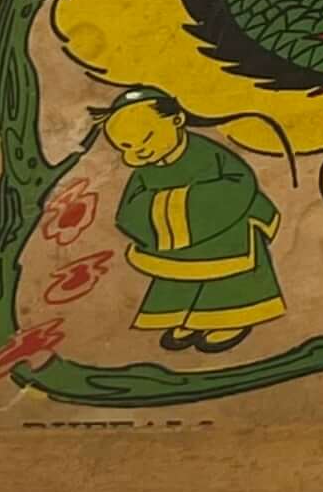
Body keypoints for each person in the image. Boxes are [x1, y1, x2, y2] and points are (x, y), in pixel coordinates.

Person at [107, 92, 288, 353]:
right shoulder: (146, 170)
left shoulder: (208, 153)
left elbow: (240, 182)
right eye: (126, 146)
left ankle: (232, 319)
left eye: (146, 138)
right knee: (179, 274)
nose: (140, 150)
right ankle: (188, 317)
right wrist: (161, 211)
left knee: (229, 278)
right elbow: (129, 208)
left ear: (177, 119)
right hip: (175, 238)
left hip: (228, 230)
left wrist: (184, 204)